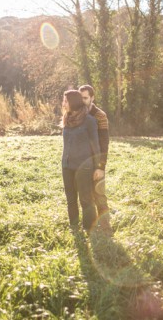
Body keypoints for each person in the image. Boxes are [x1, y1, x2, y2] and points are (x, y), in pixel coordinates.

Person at [61, 90, 103, 234]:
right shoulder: (67, 118)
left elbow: (96, 146)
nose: (63, 103)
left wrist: (98, 167)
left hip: (83, 167)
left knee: (85, 200)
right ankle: (74, 227)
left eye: (65, 101)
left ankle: (88, 229)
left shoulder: (89, 121)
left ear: (72, 102)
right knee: (70, 199)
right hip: (66, 166)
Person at [79, 84, 112, 235]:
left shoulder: (100, 115)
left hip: (96, 162)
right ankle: (90, 227)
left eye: (85, 98)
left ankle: (106, 227)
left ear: (92, 98)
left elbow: (104, 143)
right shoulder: (77, 114)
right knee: (85, 196)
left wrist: (101, 166)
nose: (83, 101)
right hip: (81, 163)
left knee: (99, 194)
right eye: (81, 98)